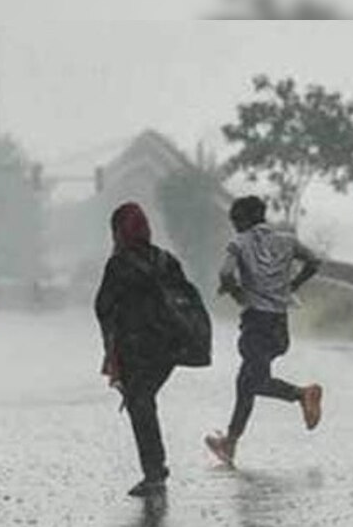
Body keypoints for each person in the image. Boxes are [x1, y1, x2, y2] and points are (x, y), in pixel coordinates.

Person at [204, 195, 323, 467]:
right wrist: (291, 286)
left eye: (236, 221)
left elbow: (225, 274)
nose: (235, 227)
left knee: (254, 382)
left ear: (244, 220)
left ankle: (302, 394)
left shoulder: (239, 243)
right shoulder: (287, 240)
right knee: (245, 382)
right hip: (280, 325)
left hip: (256, 323)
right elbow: (314, 262)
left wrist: (237, 293)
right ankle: (229, 443)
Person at [95, 201, 196, 497]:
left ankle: (154, 473)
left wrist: (110, 343)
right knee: (144, 401)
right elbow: (185, 299)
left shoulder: (119, 264)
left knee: (140, 404)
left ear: (117, 232)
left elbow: (103, 306)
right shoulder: (166, 260)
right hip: (168, 348)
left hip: (135, 347)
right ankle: (155, 469)